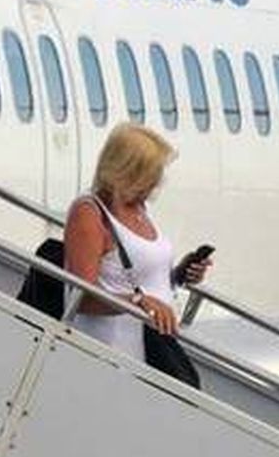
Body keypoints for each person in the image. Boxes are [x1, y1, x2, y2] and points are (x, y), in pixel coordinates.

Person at [62, 123, 210, 362]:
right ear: (128, 170)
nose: (157, 182)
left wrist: (179, 275)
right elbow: (80, 297)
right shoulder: (90, 214)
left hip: (152, 352)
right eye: (151, 174)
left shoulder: (139, 208)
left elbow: (135, 277)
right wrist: (138, 303)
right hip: (107, 354)